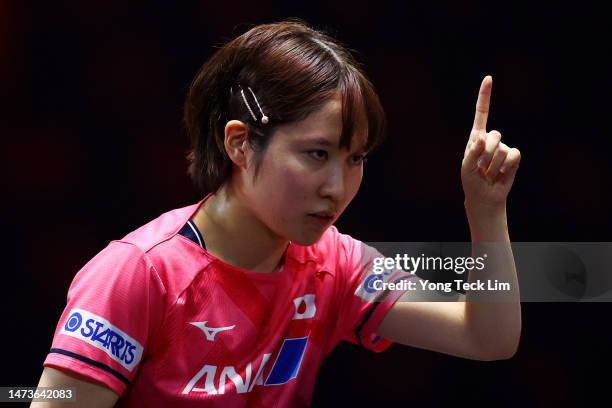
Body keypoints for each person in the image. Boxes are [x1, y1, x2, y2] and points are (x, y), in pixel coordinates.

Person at [33, 19, 522, 407]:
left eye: (355, 159)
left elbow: (487, 336)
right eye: (316, 154)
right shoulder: (138, 274)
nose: (338, 187)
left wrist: (486, 210)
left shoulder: (338, 266)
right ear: (240, 144)